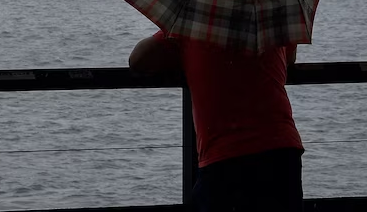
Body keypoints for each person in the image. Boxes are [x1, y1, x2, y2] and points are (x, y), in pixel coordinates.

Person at [129, 31, 303, 212]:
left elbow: (137, 60)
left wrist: (173, 34)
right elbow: (289, 57)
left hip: (225, 158)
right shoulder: (269, 19)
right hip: (282, 151)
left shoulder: (194, 24)